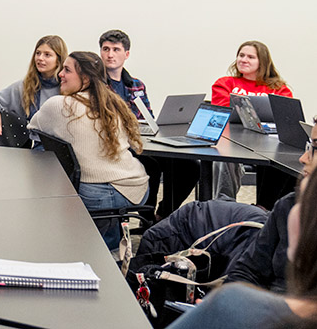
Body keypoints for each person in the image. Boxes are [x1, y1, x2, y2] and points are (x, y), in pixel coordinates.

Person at [166, 119, 317, 329]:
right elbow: (247, 270)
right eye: (308, 146)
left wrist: (232, 307)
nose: (303, 158)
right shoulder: (288, 206)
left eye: (314, 148)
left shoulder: (238, 303)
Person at [29, 51, 149, 250]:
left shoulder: (59, 105)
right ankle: (113, 247)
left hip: (95, 193)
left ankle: (104, 250)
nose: (60, 74)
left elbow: (33, 127)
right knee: (107, 229)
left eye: (67, 70)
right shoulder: (113, 103)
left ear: (85, 78)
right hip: (136, 188)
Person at [99, 29, 200, 221]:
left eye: (116, 49)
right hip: (116, 144)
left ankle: (163, 215)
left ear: (126, 54)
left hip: (141, 141)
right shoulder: (96, 84)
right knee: (151, 165)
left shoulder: (136, 85)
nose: (110, 54)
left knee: (190, 166)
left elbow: (148, 117)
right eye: (106, 49)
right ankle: (146, 216)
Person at [211, 41, 294, 206]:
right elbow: (221, 114)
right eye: (241, 55)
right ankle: (223, 205)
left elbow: (286, 119)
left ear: (262, 62)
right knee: (223, 156)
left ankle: (265, 209)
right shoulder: (225, 83)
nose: (244, 60)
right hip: (233, 141)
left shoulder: (279, 89)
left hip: (268, 145)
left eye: (250, 57)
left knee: (285, 160)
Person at [0, 35, 67, 148]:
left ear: (59, 60)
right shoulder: (26, 86)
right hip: (34, 152)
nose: (40, 58)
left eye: (47, 55)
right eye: (38, 53)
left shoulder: (68, 87)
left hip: (62, 151)